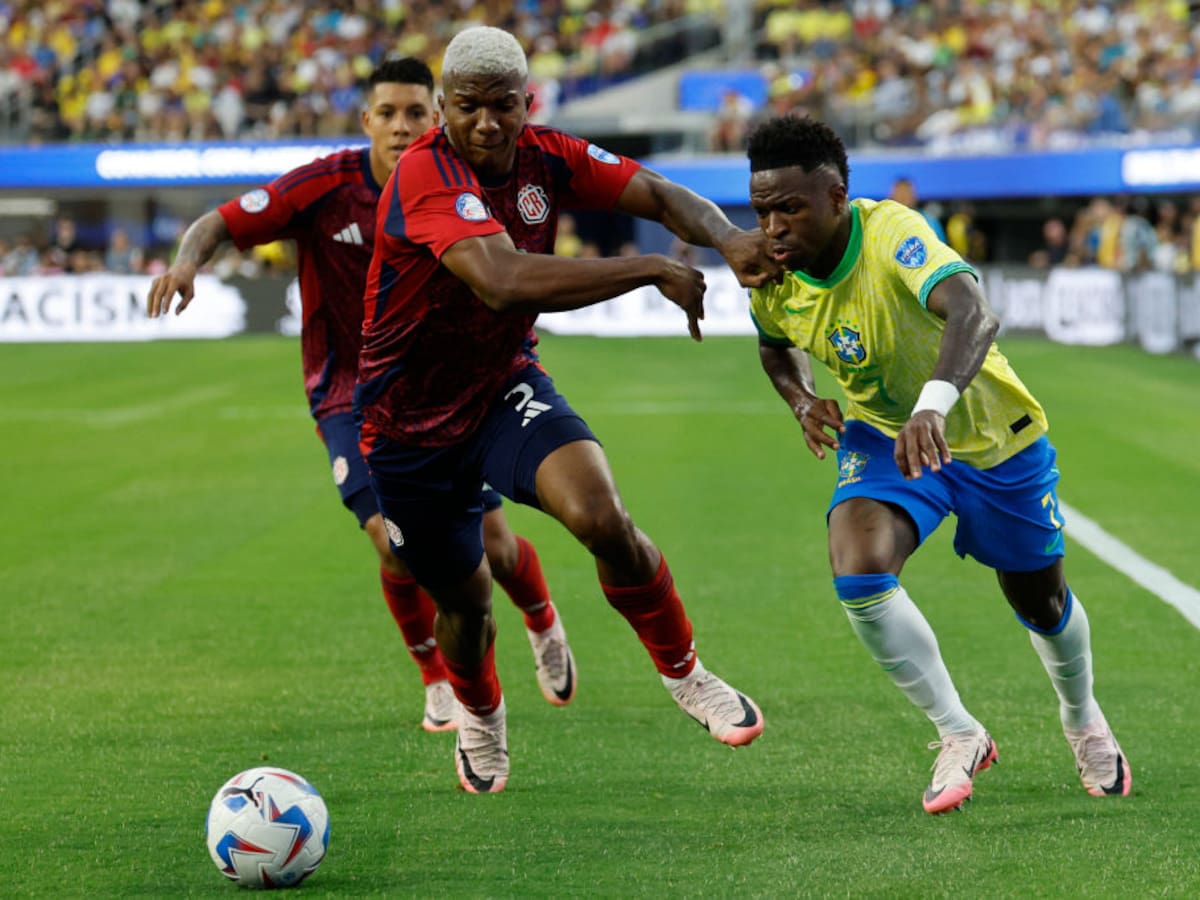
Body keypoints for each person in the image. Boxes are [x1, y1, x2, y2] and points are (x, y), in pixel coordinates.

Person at [358, 26, 773, 794]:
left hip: (499, 388)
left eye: (504, 107)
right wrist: (650, 265)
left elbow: (653, 191)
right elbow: (502, 280)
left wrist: (726, 237)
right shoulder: (423, 174)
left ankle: (688, 675)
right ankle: (480, 713)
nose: (487, 124)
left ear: (529, 102)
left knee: (601, 515)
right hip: (406, 426)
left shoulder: (551, 155)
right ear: (444, 107)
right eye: (469, 108)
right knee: (467, 602)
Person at [146, 57, 576, 733]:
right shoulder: (324, 187)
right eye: (388, 114)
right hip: (347, 395)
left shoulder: (459, 181)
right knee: (394, 545)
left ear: (435, 117)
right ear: (366, 121)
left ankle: (543, 620)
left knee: (495, 543)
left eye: (415, 113)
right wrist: (186, 262)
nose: (402, 127)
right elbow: (223, 219)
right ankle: (436, 677)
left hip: (446, 391)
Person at [744, 114, 1130, 814]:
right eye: (762, 210)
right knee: (858, 568)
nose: (772, 228)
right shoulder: (772, 274)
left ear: (836, 198)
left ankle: (1083, 719)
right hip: (887, 437)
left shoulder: (893, 233)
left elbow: (974, 312)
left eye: (789, 208)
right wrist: (800, 397)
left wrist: (932, 406)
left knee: (1038, 599)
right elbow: (774, 343)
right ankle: (959, 732)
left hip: (989, 435)